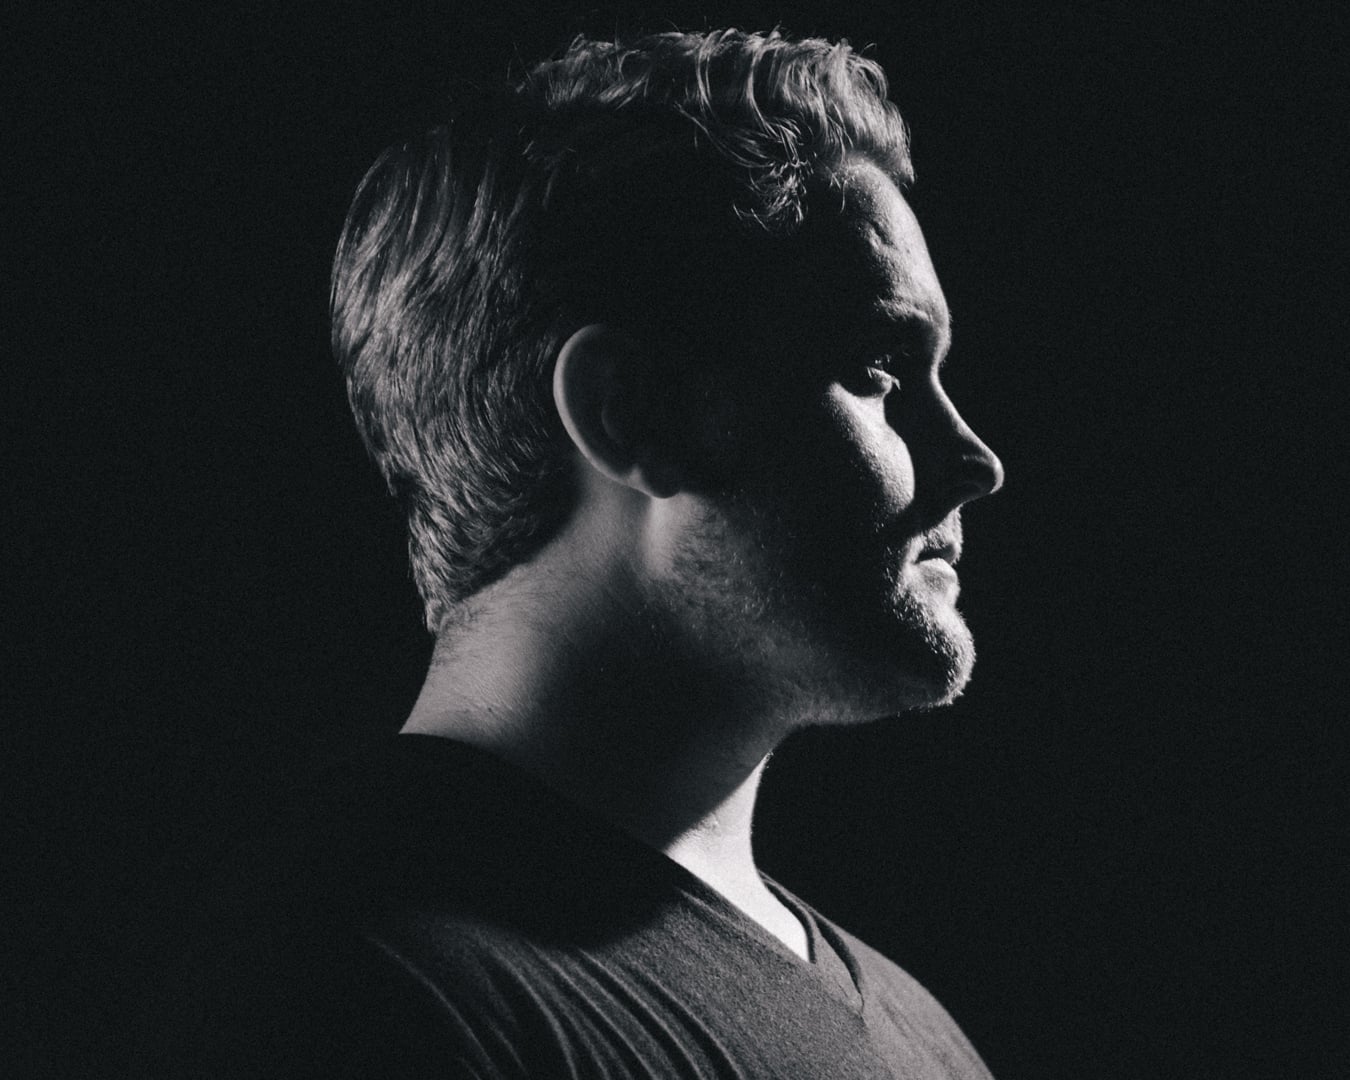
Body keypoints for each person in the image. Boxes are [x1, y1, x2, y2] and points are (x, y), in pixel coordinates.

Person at [152, 27, 1004, 1078]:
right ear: (625, 412)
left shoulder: (927, 1036)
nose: (975, 459)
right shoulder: (348, 995)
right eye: (879, 368)